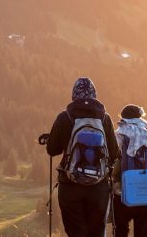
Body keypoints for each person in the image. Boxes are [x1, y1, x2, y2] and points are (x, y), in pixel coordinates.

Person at [47, 77, 120, 237]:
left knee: (76, 233)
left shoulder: (64, 117)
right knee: (97, 233)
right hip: (99, 187)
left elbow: (52, 149)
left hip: (70, 186)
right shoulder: (104, 118)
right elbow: (115, 153)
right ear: (94, 95)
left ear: (74, 95)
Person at [112, 104, 147, 237]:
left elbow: (112, 167)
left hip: (122, 194)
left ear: (123, 118)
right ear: (140, 117)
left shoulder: (117, 135)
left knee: (121, 230)